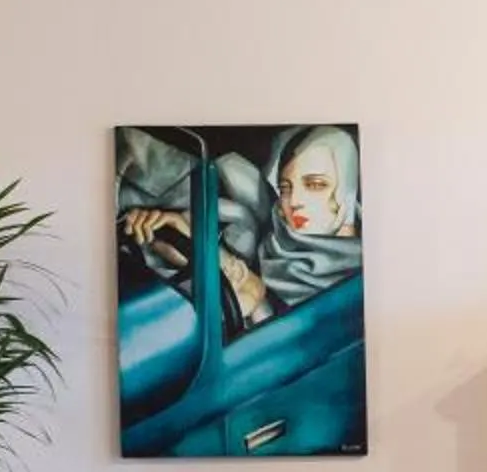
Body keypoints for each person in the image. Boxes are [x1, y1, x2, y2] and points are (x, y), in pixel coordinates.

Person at [118, 125, 362, 331]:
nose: (294, 201)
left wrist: (255, 301)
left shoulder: (364, 284)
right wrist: (189, 238)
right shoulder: (268, 243)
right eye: (285, 188)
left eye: (315, 185)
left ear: (346, 193)